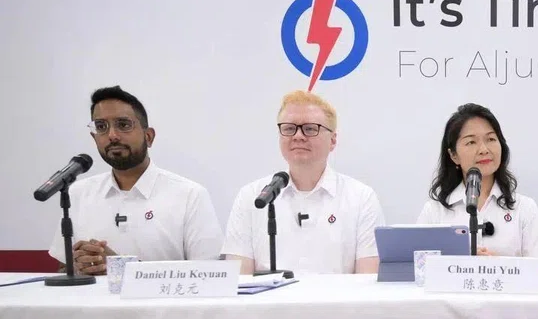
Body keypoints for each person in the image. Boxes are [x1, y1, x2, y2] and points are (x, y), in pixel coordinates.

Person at [49, 86, 223, 275]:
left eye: (123, 125)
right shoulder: (78, 193)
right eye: (101, 127)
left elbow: (209, 275)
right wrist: (79, 266)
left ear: (148, 137)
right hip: (90, 304)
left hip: (161, 305)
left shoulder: (189, 195)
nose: (112, 135)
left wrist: (122, 268)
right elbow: (62, 269)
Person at [222, 90, 385, 274]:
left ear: (333, 140)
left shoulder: (361, 198)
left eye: (309, 128)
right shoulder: (253, 196)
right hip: (270, 303)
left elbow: (368, 282)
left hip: (336, 303)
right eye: (289, 128)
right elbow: (238, 282)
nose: (298, 136)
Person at [417, 103, 538, 272]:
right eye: (471, 142)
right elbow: (420, 267)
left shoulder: (524, 207)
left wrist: (496, 267)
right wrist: (463, 264)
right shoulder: (435, 211)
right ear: (453, 155)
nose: (484, 149)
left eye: (491, 139)